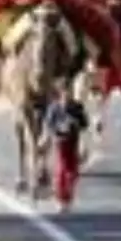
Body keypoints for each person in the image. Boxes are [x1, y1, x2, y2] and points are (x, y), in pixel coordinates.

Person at [41, 79, 90, 212]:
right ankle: (60, 198)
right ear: (59, 93)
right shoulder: (54, 108)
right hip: (60, 140)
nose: (66, 94)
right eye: (64, 92)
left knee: (73, 171)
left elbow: (84, 126)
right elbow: (48, 125)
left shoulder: (77, 107)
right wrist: (45, 139)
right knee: (62, 168)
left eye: (69, 91)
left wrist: (84, 144)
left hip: (74, 141)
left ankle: (68, 196)